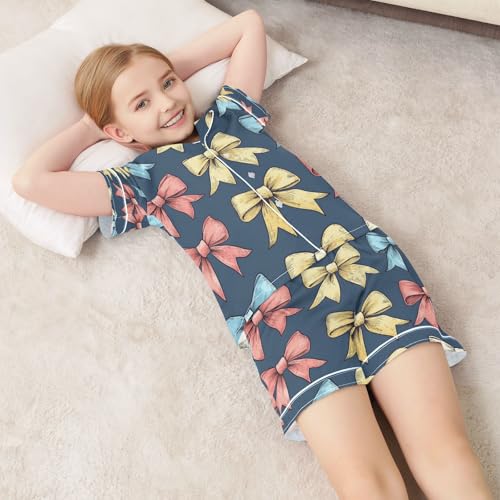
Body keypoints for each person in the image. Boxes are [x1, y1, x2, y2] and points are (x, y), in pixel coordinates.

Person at [11, 8, 493, 499]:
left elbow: (247, 25)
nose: (168, 102)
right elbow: (31, 181)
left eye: (169, 83)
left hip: (370, 270)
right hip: (285, 324)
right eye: (142, 103)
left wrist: (152, 71)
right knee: (366, 482)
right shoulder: (142, 184)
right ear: (118, 133)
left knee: (443, 449)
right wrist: (92, 125)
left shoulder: (233, 117)